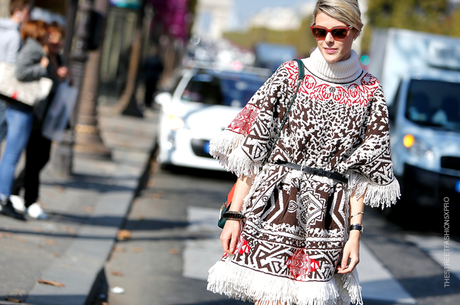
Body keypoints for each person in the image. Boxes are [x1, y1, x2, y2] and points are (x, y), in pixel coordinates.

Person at [206, 1, 400, 304]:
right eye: (319, 31)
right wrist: (234, 214)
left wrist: (355, 235)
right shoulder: (289, 75)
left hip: (327, 219)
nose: (328, 39)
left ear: (355, 31)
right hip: (274, 207)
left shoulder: (370, 92)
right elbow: (255, 150)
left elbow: (361, 175)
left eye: (338, 31)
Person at [10, 22, 69, 219]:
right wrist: (46, 69)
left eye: (60, 38)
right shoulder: (39, 54)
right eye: (53, 36)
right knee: (35, 157)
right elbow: (23, 73)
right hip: (36, 112)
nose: (57, 42)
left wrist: (63, 76)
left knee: (42, 157)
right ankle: (29, 200)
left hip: (51, 114)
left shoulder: (58, 58)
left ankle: (15, 190)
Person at [0, 20, 49, 221]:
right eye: (46, 32)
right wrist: (42, 68)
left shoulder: (29, 46)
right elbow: (21, 72)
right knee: (12, 155)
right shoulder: (34, 49)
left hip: (12, 103)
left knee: (10, 154)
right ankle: (3, 197)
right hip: (21, 105)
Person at [0, 0, 31, 143]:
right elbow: (11, 64)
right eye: (28, 11)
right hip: (3, 89)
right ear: (18, 11)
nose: (29, 15)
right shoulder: (14, 35)